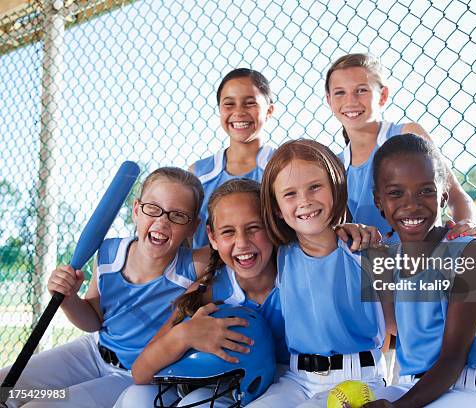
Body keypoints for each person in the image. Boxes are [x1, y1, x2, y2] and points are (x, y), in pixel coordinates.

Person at [114, 178, 376, 408]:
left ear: (273, 226)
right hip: (235, 390)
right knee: (140, 397)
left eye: (254, 228)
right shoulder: (210, 290)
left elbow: (336, 251)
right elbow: (140, 372)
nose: (242, 243)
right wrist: (184, 335)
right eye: (228, 232)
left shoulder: (300, 266)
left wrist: (348, 231)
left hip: (301, 383)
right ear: (212, 238)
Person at [0, 167, 207, 407]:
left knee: (41, 405)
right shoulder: (110, 253)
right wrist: (69, 299)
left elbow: (231, 247)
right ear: (136, 210)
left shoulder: (193, 267)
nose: (162, 221)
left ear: (194, 226)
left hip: (130, 377)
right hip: (91, 352)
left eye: (178, 215)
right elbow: (93, 321)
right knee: (5, 390)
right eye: (153, 208)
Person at [363, 134, 476, 407]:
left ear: (443, 196)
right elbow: (392, 329)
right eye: (396, 193)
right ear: (379, 202)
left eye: (426, 191)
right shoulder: (386, 258)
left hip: (470, 387)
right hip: (411, 386)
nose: (411, 204)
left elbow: (454, 358)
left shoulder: (466, 252)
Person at [248, 139, 388, 408]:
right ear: (277, 207)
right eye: (290, 194)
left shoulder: (365, 249)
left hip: (361, 377)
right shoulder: (280, 255)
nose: (305, 201)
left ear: (335, 188)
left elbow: (393, 325)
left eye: (315, 187)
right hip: (297, 379)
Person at [325, 53, 476, 242]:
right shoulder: (335, 166)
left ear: (382, 96)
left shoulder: (406, 135)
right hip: (375, 268)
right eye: (340, 92)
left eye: (361, 90)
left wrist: (467, 226)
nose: (350, 101)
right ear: (329, 101)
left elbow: (455, 195)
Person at [190, 68, 276, 248]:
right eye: (229, 104)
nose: (239, 112)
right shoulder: (199, 173)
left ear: (269, 110)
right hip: (210, 273)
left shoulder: (280, 167)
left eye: (249, 103)